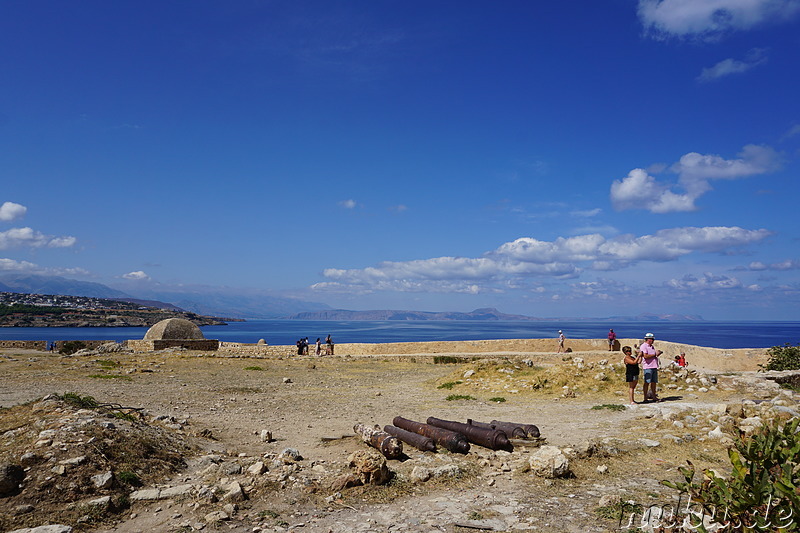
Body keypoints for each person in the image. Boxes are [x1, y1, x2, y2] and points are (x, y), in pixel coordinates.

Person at [640, 332, 660, 402]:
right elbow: (645, 356)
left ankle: (654, 396)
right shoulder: (643, 346)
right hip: (648, 367)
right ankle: (645, 398)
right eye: (652, 339)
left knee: (654, 382)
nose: (653, 340)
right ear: (648, 339)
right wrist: (655, 354)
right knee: (647, 382)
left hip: (654, 366)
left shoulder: (651, 346)